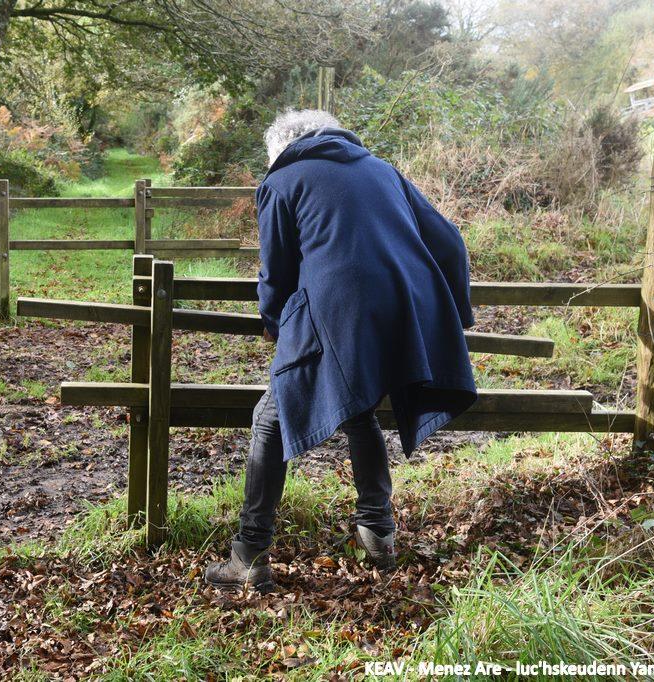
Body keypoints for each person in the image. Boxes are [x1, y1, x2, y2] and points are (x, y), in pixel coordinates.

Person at [204, 109, 478, 592]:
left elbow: (277, 273)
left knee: (272, 414)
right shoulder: (382, 170)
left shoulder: (282, 180)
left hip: (340, 312)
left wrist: (273, 323)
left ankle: (249, 554)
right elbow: (451, 243)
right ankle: (379, 530)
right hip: (400, 313)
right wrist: (451, 316)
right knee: (359, 408)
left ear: (283, 148)